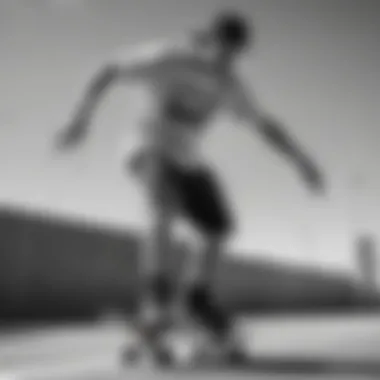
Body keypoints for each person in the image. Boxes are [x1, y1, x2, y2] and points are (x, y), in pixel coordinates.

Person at [55, 10, 325, 363]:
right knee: (163, 204)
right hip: (146, 147)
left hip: (188, 160)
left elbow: (265, 126)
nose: (225, 62)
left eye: (234, 55)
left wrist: (301, 161)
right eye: (222, 51)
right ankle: (157, 297)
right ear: (208, 40)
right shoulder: (170, 57)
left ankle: (196, 301)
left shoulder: (231, 85)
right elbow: (110, 69)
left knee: (218, 227)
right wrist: (80, 118)